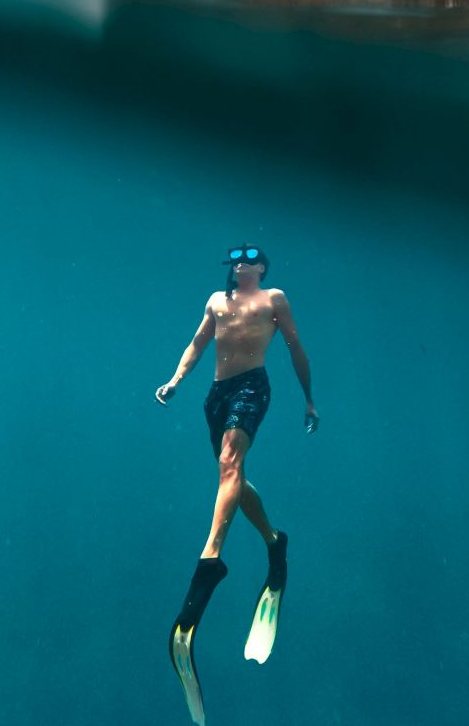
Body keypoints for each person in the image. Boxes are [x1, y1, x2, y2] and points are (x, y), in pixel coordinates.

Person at [156, 245, 318, 719]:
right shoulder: (215, 301)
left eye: (249, 260)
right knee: (233, 475)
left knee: (230, 464)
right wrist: (175, 380)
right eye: (235, 261)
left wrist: (309, 400)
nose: (240, 266)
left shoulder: (275, 299)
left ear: (263, 267)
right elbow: (197, 344)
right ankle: (274, 540)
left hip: (253, 385)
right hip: (217, 392)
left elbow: (295, 348)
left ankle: (210, 560)